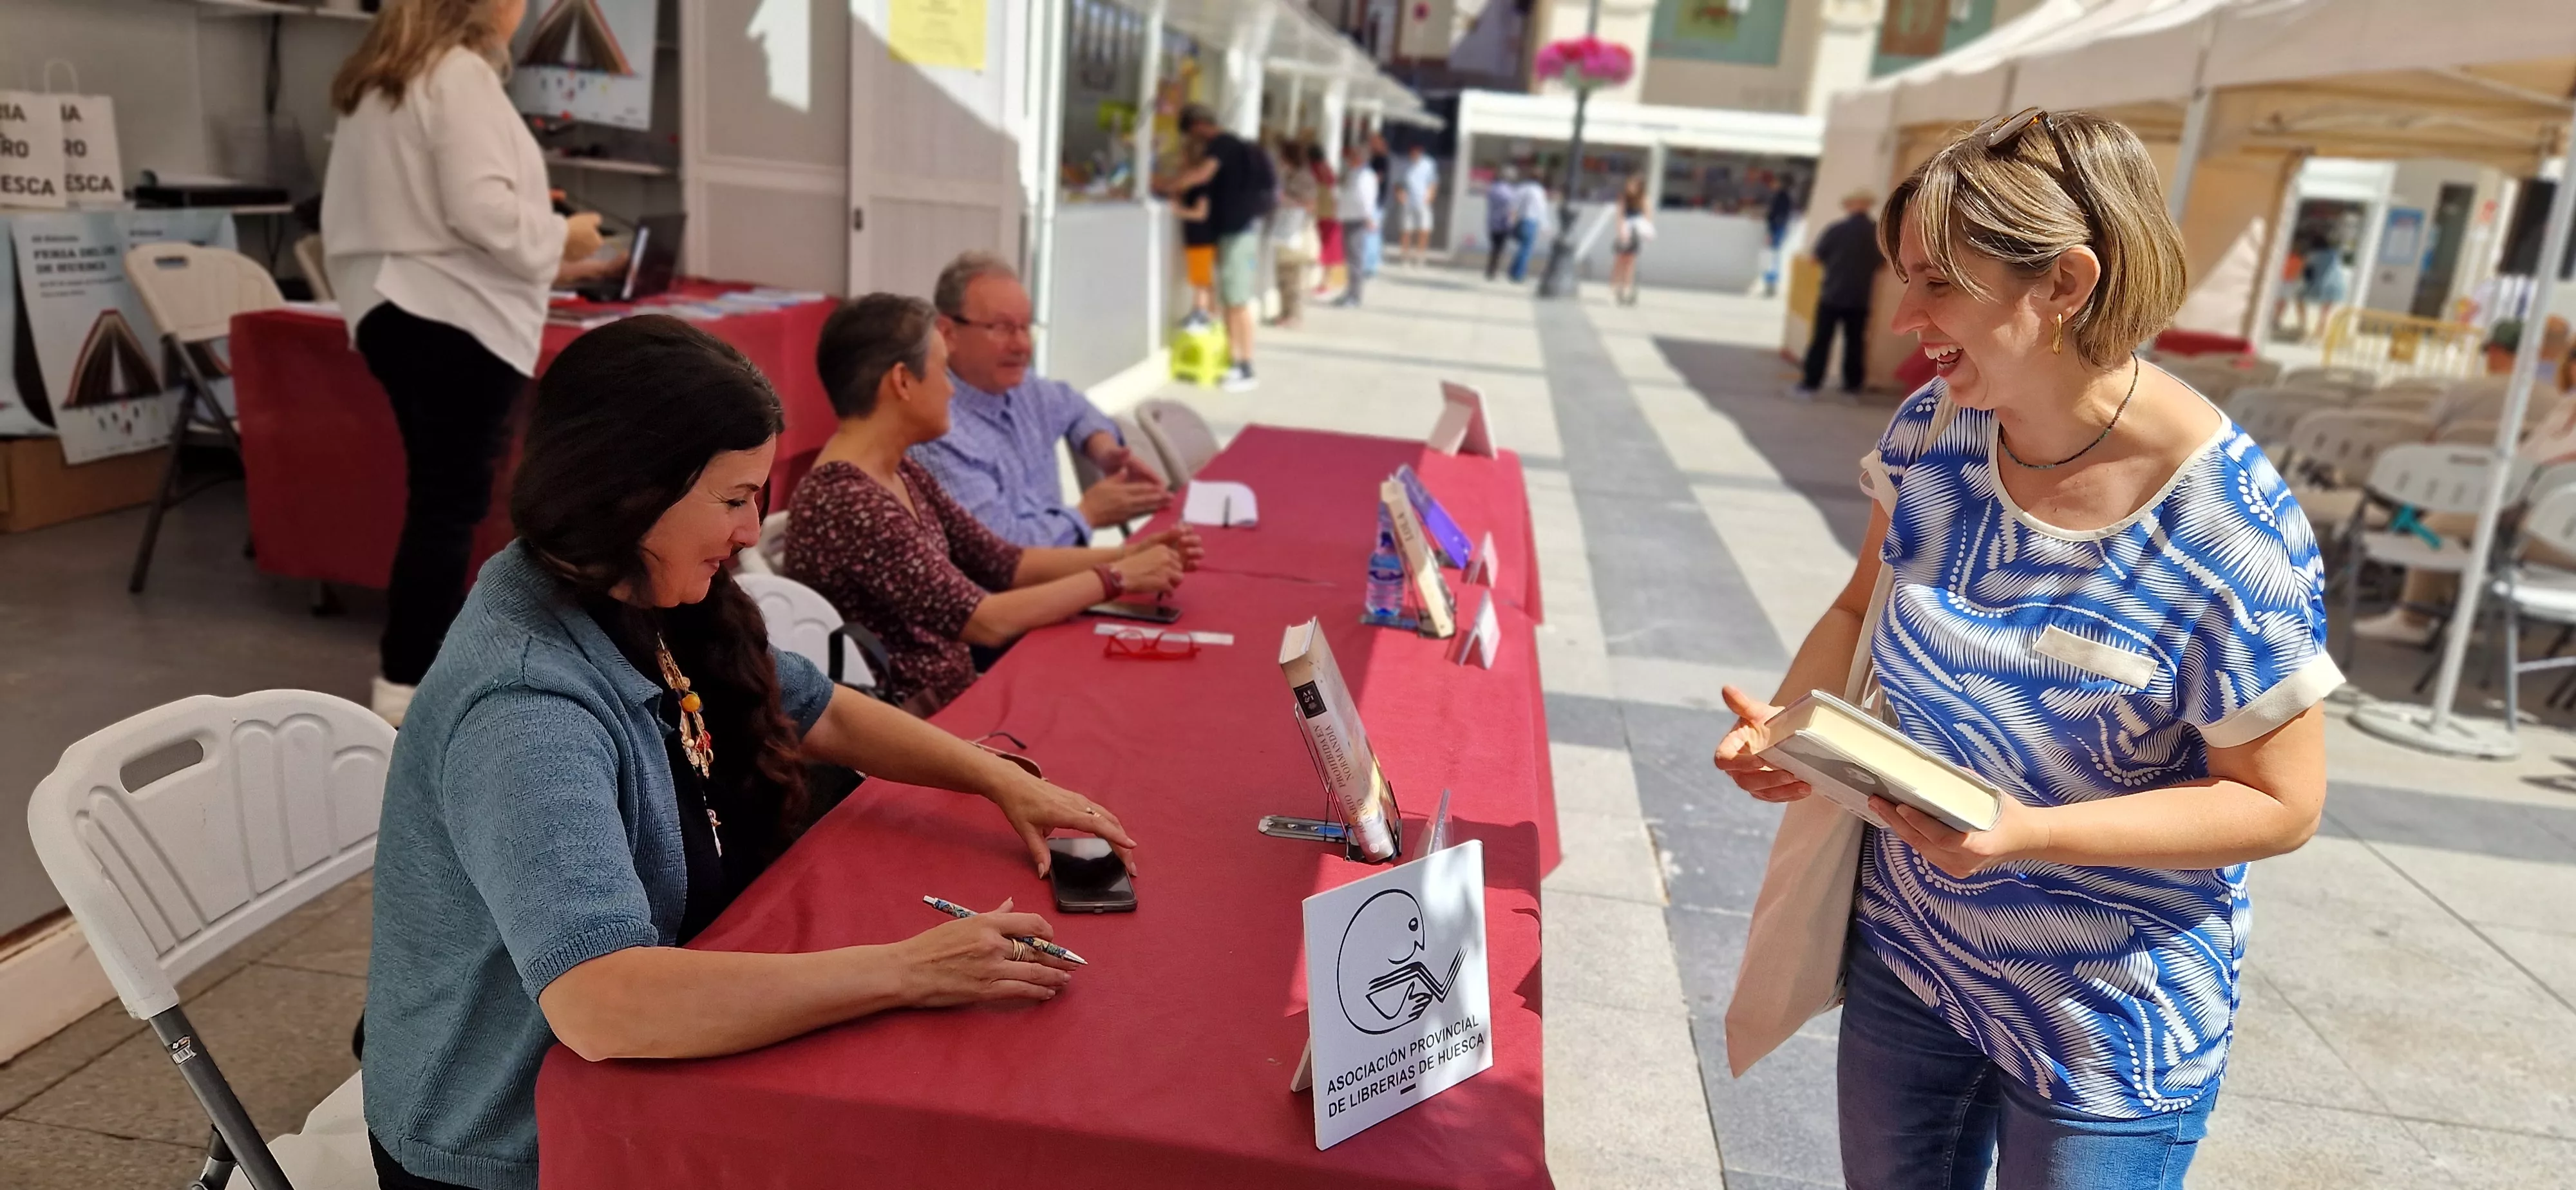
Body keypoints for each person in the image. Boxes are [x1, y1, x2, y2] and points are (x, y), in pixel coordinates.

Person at [361, 314, 1139, 1190]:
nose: (750, 532)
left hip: (620, 1068)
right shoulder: (527, 704)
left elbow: (821, 710)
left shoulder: (629, 586)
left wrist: (994, 778)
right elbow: (602, 1004)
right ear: (627, 490)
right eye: (734, 499)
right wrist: (905, 971)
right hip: (509, 1140)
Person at [1714, 109, 2336, 1189]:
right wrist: (1790, 729)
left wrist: (2029, 832)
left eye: (1939, 283)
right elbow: (1860, 607)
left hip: (2110, 1027)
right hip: (1912, 956)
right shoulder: (1935, 429)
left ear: (2065, 282)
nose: (1906, 315)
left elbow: (2283, 801)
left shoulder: (2233, 528)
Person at [321, 0, 625, 726]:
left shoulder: (385, 77)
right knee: (449, 506)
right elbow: (481, 211)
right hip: (453, 313)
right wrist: (566, 235)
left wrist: (533, 212)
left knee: (440, 502)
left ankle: (413, 678)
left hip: (398, 306)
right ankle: (408, 692)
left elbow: (445, 200)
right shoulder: (457, 74)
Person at [785, 295, 1202, 714]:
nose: (951, 389)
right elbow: (986, 621)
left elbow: (1007, 562)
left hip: (955, 702)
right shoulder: (849, 502)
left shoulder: (896, 472)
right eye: (943, 371)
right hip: (920, 729)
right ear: (902, 381)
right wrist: (1116, 576)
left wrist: (1132, 553)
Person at [909, 252, 1166, 549]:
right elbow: (999, 554)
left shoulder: (1023, 388)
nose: (1021, 345)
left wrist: (1103, 449)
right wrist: (1088, 514)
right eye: (1002, 328)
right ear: (948, 333)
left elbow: (1076, 407)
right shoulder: (933, 428)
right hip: (1019, 592)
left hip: (1067, 577)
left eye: (1025, 327)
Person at [1167, 104, 1270, 392]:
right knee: (1231, 301)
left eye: (1191, 134)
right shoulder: (1234, 146)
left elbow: (1202, 175)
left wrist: (1173, 186)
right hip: (1234, 232)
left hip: (1238, 233)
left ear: (1198, 125)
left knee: (1237, 302)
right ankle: (1237, 360)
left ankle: (1245, 366)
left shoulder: (1224, 144)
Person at [1795, 189, 1884, 399]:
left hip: (1832, 294)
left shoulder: (1836, 230)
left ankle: (1810, 384)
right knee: (1855, 343)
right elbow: (1883, 264)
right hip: (1860, 297)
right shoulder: (1877, 233)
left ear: (1849, 206)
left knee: (1821, 341)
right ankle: (1852, 388)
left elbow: (1815, 258)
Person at [1271, 142, 1320, 328]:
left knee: (1294, 277)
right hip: (1288, 230)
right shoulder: (1288, 174)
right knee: (1284, 275)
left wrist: (1286, 200)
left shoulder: (1303, 177)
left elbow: (1310, 204)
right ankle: (1286, 313)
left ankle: (1295, 316)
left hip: (1299, 230)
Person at [1334, 140, 1381, 308]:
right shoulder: (1353, 172)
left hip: (1358, 219)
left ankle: (1355, 296)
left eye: (1353, 155)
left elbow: (1366, 198)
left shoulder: (1365, 175)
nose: (1349, 158)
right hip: (1349, 217)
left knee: (1356, 259)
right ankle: (1350, 292)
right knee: (1351, 259)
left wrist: (1369, 218)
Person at [1610, 174, 1652, 307]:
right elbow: (1620, 216)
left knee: (1630, 261)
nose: (1630, 187)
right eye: (1629, 184)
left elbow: (1648, 217)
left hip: (1636, 232)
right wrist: (1621, 232)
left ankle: (1627, 287)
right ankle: (1615, 286)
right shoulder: (1624, 198)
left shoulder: (1643, 199)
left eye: (1633, 184)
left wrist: (1645, 232)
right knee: (1620, 259)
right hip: (1625, 231)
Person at [1397, 144, 1439, 267]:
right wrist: (1400, 195)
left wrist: (1430, 196)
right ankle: (1405, 256)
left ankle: (1420, 256)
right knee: (1406, 229)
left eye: (1417, 152)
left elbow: (1433, 181)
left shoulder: (1429, 164)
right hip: (1408, 200)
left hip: (1423, 200)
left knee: (1424, 229)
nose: (1414, 155)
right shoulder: (1405, 164)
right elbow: (1398, 183)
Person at [1507, 173, 1549, 283]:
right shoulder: (1538, 191)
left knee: (1522, 247)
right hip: (1531, 221)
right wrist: (1545, 225)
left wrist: (1511, 220)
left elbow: (1513, 204)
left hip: (1520, 220)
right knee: (1526, 249)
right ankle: (1518, 274)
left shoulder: (1521, 188)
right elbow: (1541, 209)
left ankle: (1513, 271)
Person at [1762, 175, 1798, 296]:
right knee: (1774, 256)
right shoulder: (1786, 196)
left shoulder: (1781, 196)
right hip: (1779, 228)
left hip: (1777, 229)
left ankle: (1771, 284)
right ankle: (1771, 284)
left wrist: (1771, 231)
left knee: (1773, 256)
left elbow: (1775, 214)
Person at [1484, 167, 1520, 281]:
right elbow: (1511, 208)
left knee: (1494, 247)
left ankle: (1491, 270)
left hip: (1492, 222)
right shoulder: (1508, 192)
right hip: (1503, 223)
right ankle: (1493, 271)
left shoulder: (1493, 188)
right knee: (1499, 248)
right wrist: (1513, 222)